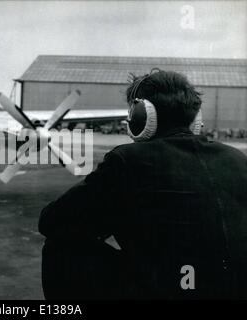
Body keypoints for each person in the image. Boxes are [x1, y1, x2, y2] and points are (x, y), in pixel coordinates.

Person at [38, 69, 247, 299]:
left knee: (60, 247)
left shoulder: (127, 161)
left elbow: (51, 221)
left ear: (141, 116)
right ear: (195, 119)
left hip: (167, 291)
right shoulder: (238, 159)